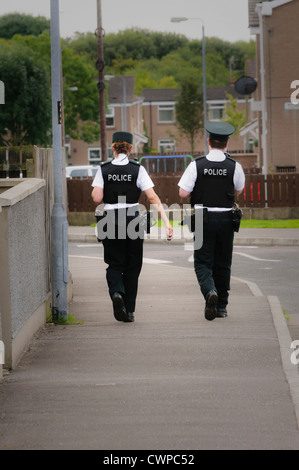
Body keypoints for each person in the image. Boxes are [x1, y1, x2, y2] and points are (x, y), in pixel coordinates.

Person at [91, 131, 173, 323]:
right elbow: (152, 197)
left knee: (114, 264)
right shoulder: (138, 169)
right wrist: (167, 221)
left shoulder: (103, 169)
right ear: (130, 148)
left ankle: (116, 293)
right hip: (133, 219)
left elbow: (97, 198)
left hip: (110, 218)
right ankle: (129, 310)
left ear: (113, 147)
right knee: (133, 266)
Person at [178, 122, 245, 321]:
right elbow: (238, 190)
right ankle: (222, 306)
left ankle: (210, 292)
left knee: (202, 262)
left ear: (208, 142)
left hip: (202, 219)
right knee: (223, 263)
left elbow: (183, 192)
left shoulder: (196, 165)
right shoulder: (234, 166)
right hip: (226, 218)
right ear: (226, 143)